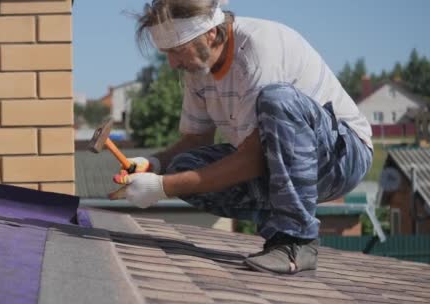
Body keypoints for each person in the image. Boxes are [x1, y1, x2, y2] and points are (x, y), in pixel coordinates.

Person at [112, 0, 373, 275]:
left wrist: (162, 187)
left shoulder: (259, 48)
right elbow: (195, 141)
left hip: (341, 156)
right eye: (167, 53)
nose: (172, 63)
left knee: (277, 100)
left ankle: (297, 240)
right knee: (183, 167)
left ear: (210, 34)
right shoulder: (198, 67)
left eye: (177, 51)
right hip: (280, 162)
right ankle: (279, 233)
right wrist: (154, 164)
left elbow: (254, 158)